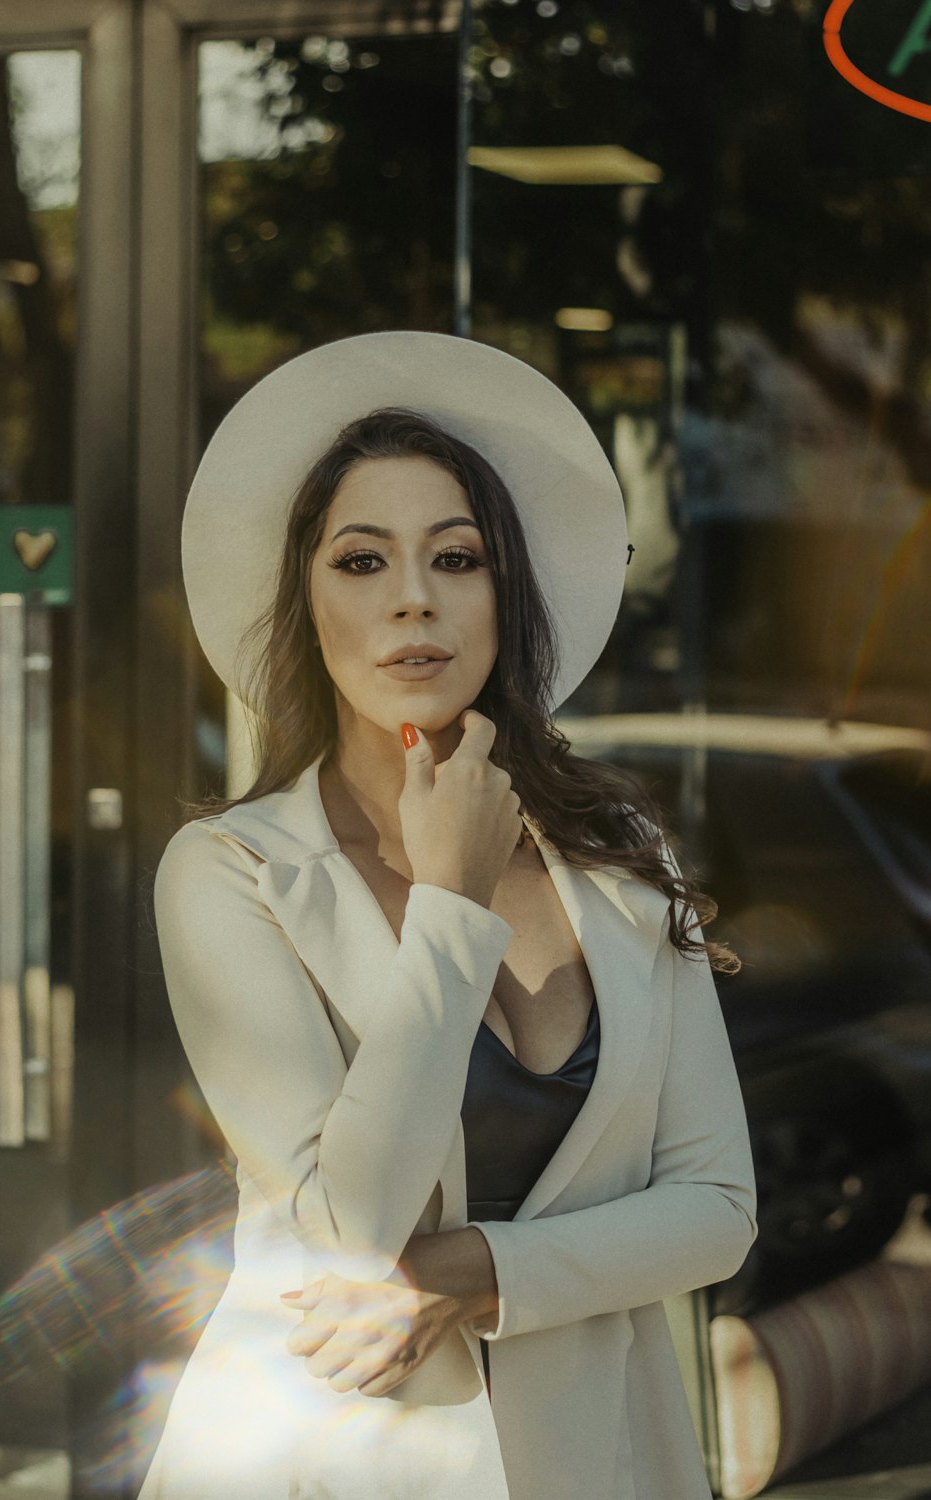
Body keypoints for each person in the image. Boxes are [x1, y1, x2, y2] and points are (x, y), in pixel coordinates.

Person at [138, 331, 757, 1500]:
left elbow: (715, 1209)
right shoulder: (231, 871)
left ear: (500, 595)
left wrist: (475, 1271)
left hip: (597, 1454)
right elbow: (351, 1225)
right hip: (327, 1454)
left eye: (456, 557)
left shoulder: (619, 861)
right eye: (361, 562)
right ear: (305, 604)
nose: (413, 597)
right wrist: (450, 902)